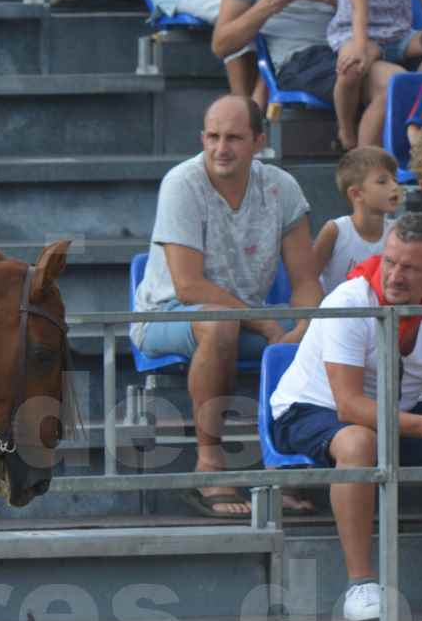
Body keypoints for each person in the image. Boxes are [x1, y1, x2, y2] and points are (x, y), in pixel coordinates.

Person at [269, 214, 422, 621]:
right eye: (390, 261)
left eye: (410, 268)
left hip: (392, 412)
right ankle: (361, 586)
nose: (395, 275)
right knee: (357, 441)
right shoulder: (348, 301)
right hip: (310, 409)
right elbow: (349, 405)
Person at [132, 95, 323, 517]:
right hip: (165, 314)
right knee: (219, 326)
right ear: (202, 137)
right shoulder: (181, 182)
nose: (221, 148)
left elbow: (307, 281)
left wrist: (306, 327)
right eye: (213, 137)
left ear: (258, 141)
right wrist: (268, 326)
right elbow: (188, 286)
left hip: (245, 319)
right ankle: (210, 465)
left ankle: (285, 462)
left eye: (234, 138)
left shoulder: (281, 187)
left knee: (324, 334)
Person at [328, 0, 422, 150]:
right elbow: (359, 9)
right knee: (351, 68)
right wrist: (361, 48)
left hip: (401, 36)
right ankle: (346, 131)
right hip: (359, 34)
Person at [213, 0, 339, 111]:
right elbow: (222, 45)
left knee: (354, 80)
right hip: (300, 61)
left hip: (345, 50)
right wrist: (268, 4)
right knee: (354, 84)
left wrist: (337, 1)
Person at [313, 145, 402, 294]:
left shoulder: (397, 231)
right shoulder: (334, 231)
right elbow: (308, 281)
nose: (394, 187)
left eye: (395, 180)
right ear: (356, 194)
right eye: (382, 181)